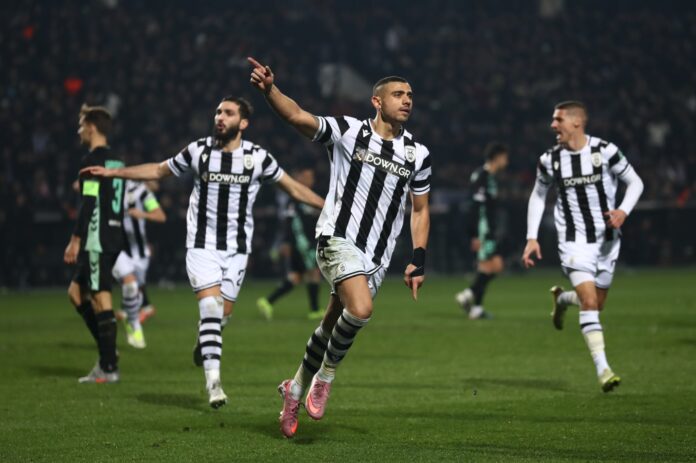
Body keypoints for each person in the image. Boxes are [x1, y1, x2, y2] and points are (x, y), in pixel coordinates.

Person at [81, 96, 324, 408]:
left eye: (228, 113)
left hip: (237, 251)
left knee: (222, 317)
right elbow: (158, 170)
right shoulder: (198, 151)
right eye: (218, 112)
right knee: (210, 307)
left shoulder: (258, 158)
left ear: (243, 123)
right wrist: (115, 173)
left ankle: (204, 340)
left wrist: (327, 206)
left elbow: (293, 188)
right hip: (202, 246)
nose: (220, 117)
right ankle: (214, 385)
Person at [248, 56, 431, 438]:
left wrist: (418, 258)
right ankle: (325, 377)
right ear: (377, 101)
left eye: (410, 95)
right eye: (398, 94)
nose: (407, 100)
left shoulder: (418, 154)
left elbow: (420, 210)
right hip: (337, 238)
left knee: (332, 322)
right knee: (361, 309)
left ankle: (294, 388)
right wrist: (270, 91)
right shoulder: (348, 131)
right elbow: (297, 116)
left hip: (376, 257)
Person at [522, 101, 644, 392]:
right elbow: (538, 195)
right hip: (573, 241)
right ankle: (604, 370)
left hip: (607, 241)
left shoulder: (605, 151)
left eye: (558, 120)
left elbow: (636, 183)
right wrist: (531, 237)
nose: (553, 125)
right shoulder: (550, 159)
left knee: (596, 304)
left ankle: (563, 300)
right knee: (589, 302)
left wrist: (623, 210)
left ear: (576, 122)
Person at [64, 104, 124, 384]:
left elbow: (89, 203)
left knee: (100, 297)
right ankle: (108, 351)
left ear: (91, 127)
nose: (79, 131)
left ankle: (108, 366)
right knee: (76, 293)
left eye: (81, 126)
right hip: (113, 232)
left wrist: (75, 240)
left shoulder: (91, 161)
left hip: (97, 237)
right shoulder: (117, 161)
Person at [256, 165, 323, 321]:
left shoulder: (311, 197)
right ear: (299, 178)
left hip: (307, 241)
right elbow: (289, 222)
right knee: (313, 273)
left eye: (311, 177)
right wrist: (286, 242)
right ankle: (314, 310)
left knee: (296, 277)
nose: (310, 180)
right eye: (307, 177)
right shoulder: (295, 198)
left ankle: (267, 301)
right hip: (301, 243)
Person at [455, 142, 509, 320]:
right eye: (505, 158)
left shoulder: (491, 177)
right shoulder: (482, 176)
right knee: (492, 266)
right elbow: (474, 207)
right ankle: (469, 297)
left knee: (489, 267)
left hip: (489, 229)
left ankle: (474, 305)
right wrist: (474, 235)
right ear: (497, 157)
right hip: (483, 230)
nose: (506, 162)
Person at [112, 180, 167, 348]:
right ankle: (134, 324)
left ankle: (130, 313)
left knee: (137, 291)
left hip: (140, 254)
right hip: (118, 250)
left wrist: (142, 214)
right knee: (131, 286)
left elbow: (160, 216)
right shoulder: (109, 188)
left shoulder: (141, 192)